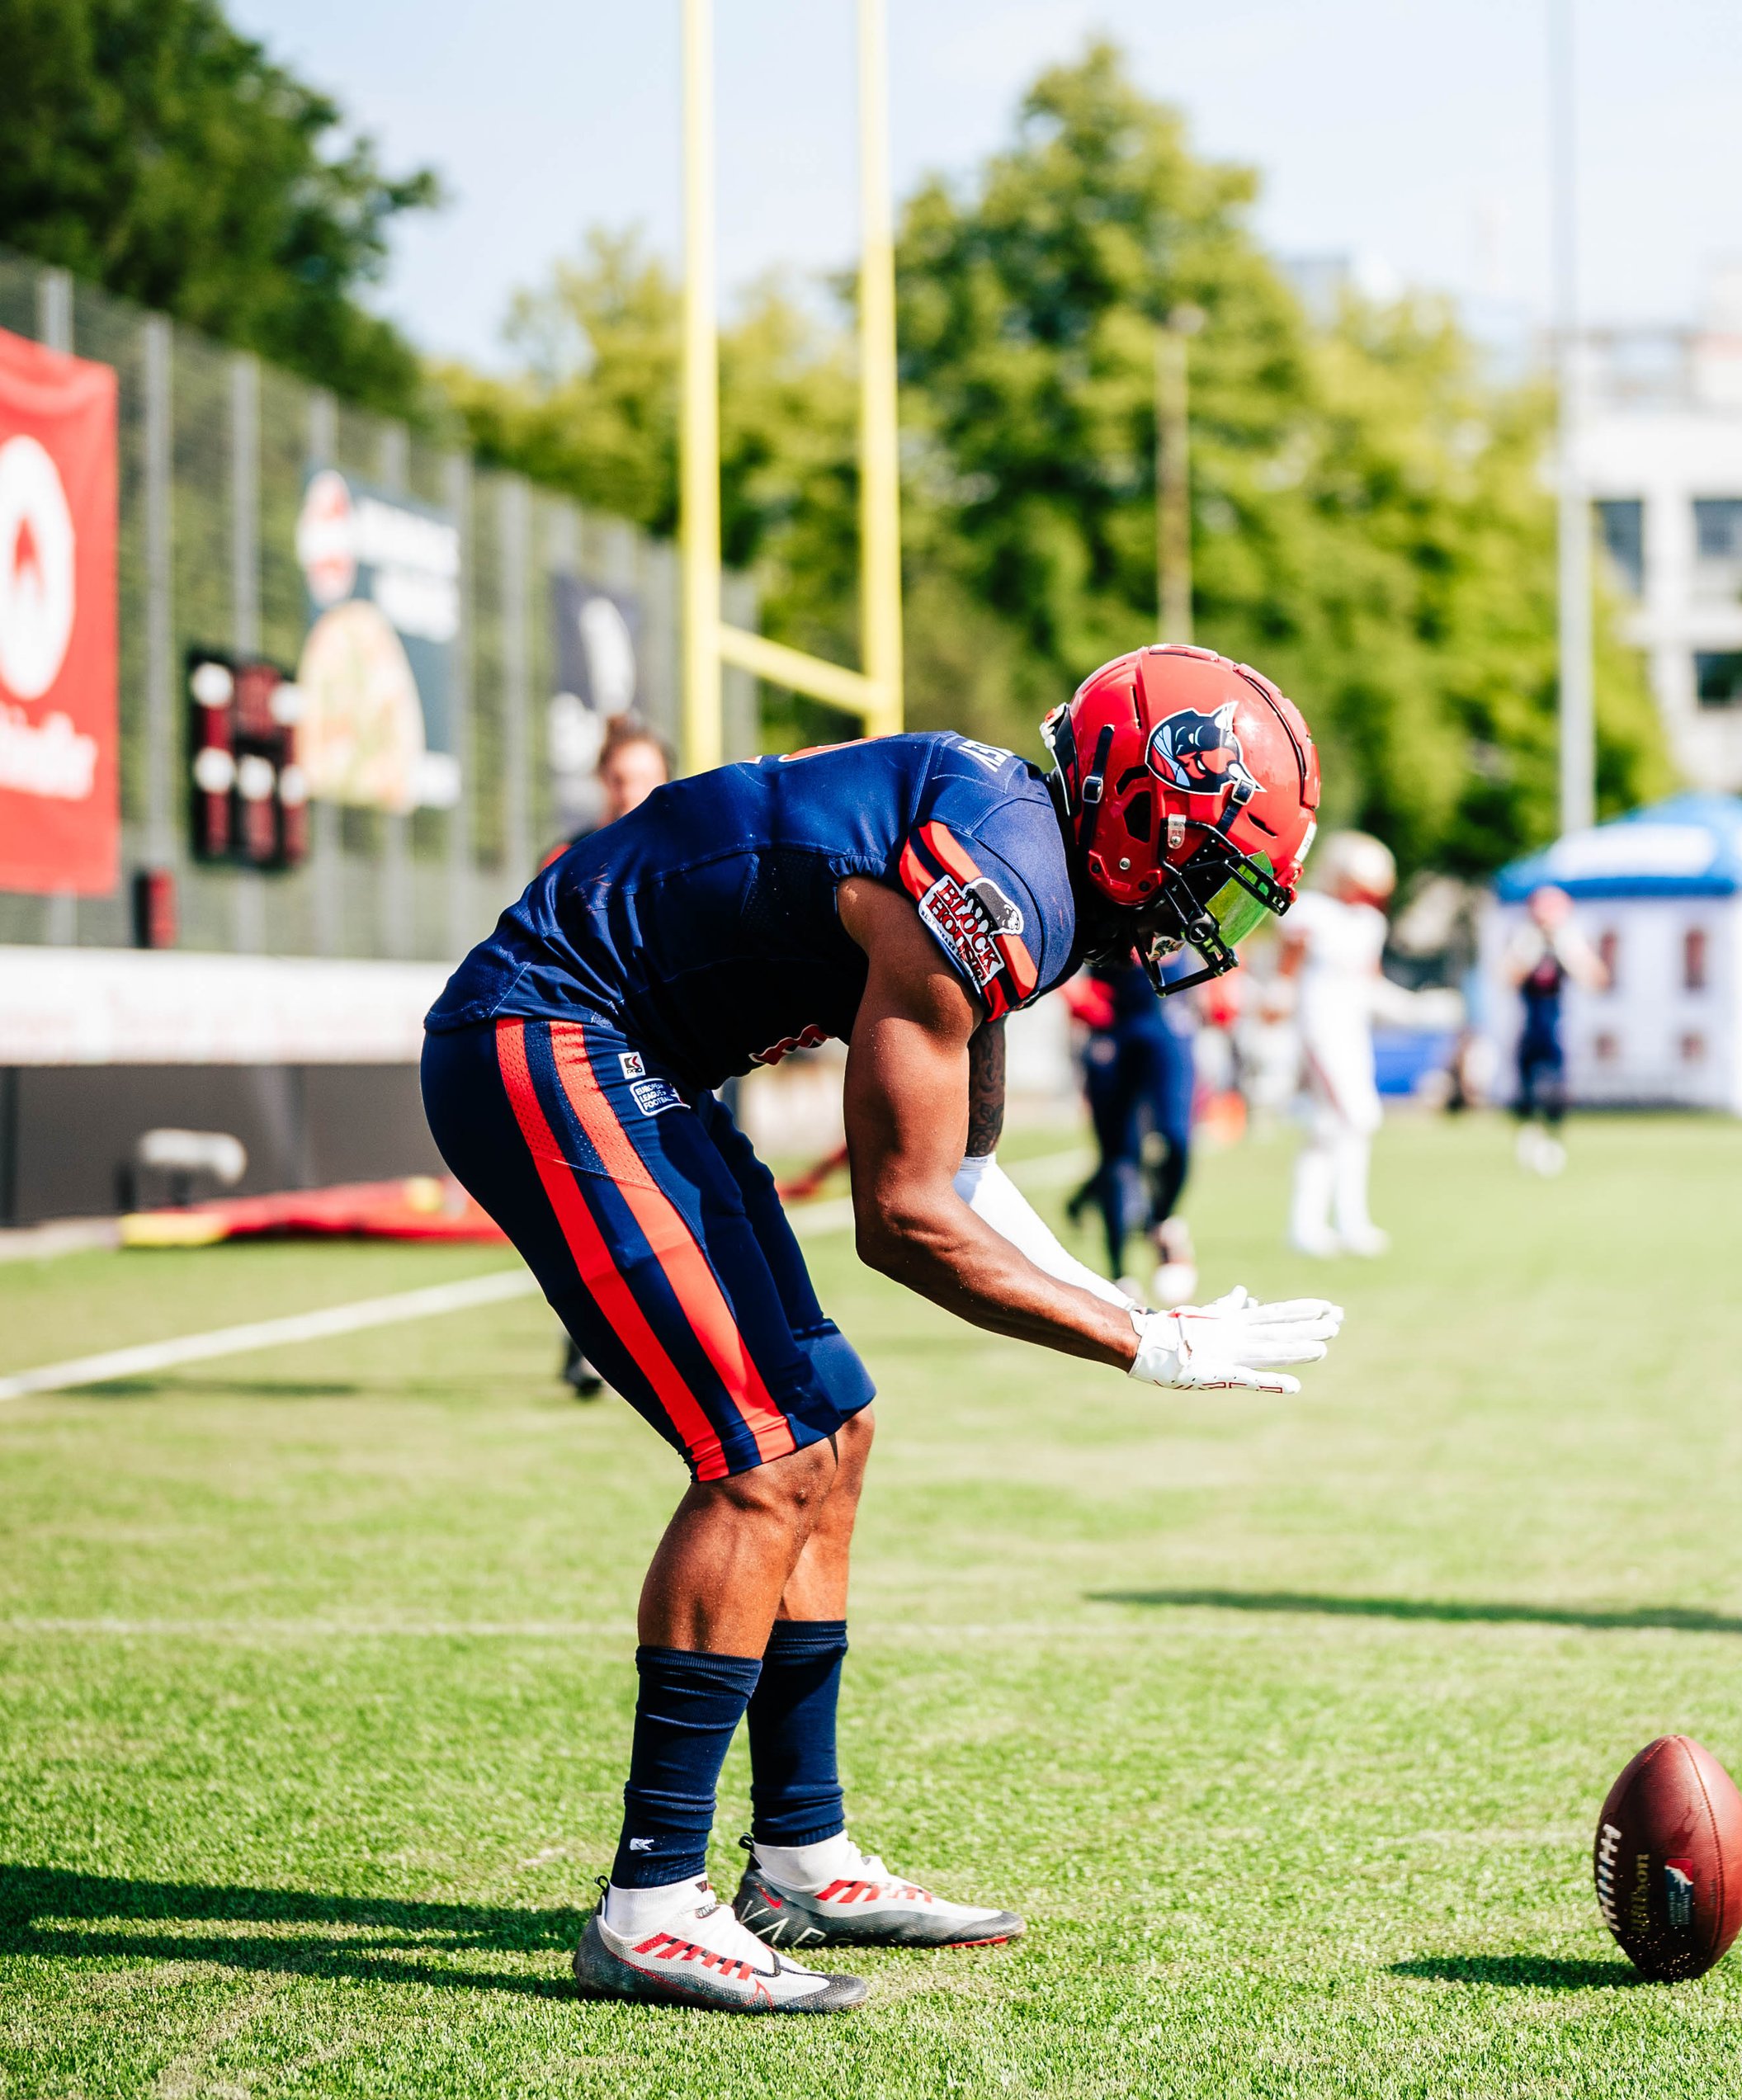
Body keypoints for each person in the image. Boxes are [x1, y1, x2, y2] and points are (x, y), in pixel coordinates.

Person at [420, 644, 1341, 2017]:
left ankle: (798, 1853)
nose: (1210, 912)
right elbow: (904, 1221)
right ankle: (655, 1900)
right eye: (1210, 869)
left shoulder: (1022, 857)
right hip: (545, 1031)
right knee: (762, 1456)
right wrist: (1140, 1346)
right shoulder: (994, 882)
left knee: (831, 1428)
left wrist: (1140, 1307)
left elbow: (962, 1170)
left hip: (634, 1053)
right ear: (1144, 820)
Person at [548, 718, 679, 1396]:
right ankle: (592, 1348)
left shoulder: (693, 849)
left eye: (644, 776)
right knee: (600, 1211)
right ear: (604, 782)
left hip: (686, 1059)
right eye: (621, 777)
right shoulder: (569, 858)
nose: (632, 791)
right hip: (592, 1056)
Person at [1272, 829, 1401, 1258]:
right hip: (1317, 1029)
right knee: (1357, 1116)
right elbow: (1286, 975)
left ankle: (1319, 1224)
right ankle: (1339, 1222)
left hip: (1352, 1032)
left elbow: (1371, 984)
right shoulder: (1311, 912)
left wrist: (1418, 1007)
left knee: (1331, 1127)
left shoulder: (1369, 924)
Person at [1064, 951, 1200, 1301]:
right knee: (1119, 1156)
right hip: (1112, 1024)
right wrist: (1070, 992)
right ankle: (1119, 1273)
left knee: (1177, 1138)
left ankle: (1162, 1221)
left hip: (1166, 1020)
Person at [1503, 884, 1607, 1175]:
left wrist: (1571, 955)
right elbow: (1505, 979)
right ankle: (1526, 1138)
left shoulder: (1570, 941)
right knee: (1524, 1092)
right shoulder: (1522, 940)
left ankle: (1553, 1142)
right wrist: (1526, 954)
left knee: (1557, 1092)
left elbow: (1597, 980)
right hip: (1528, 1026)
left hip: (1557, 1028)